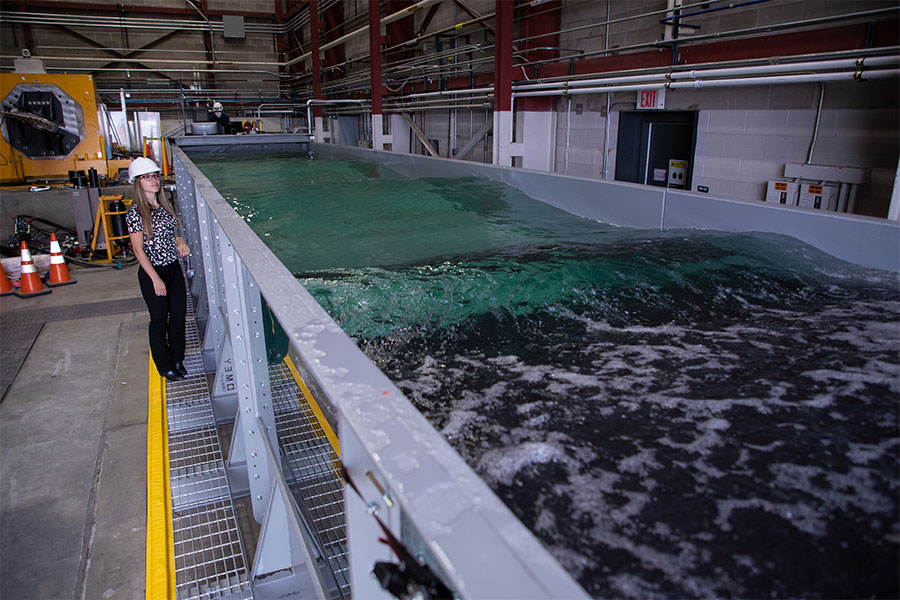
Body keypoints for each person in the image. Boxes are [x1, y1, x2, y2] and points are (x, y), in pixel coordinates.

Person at [125, 157, 191, 381]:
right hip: (153, 272)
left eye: (155, 176)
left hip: (173, 269)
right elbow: (138, 250)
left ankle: (178, 358)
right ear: (138, 182)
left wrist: (179, 241)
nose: (153, 181)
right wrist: (155, 279)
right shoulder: (136, 213)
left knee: (179, 316)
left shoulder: (164, 206)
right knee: (160, 319)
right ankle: (164, 365)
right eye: (147, 178)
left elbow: (170, 234)